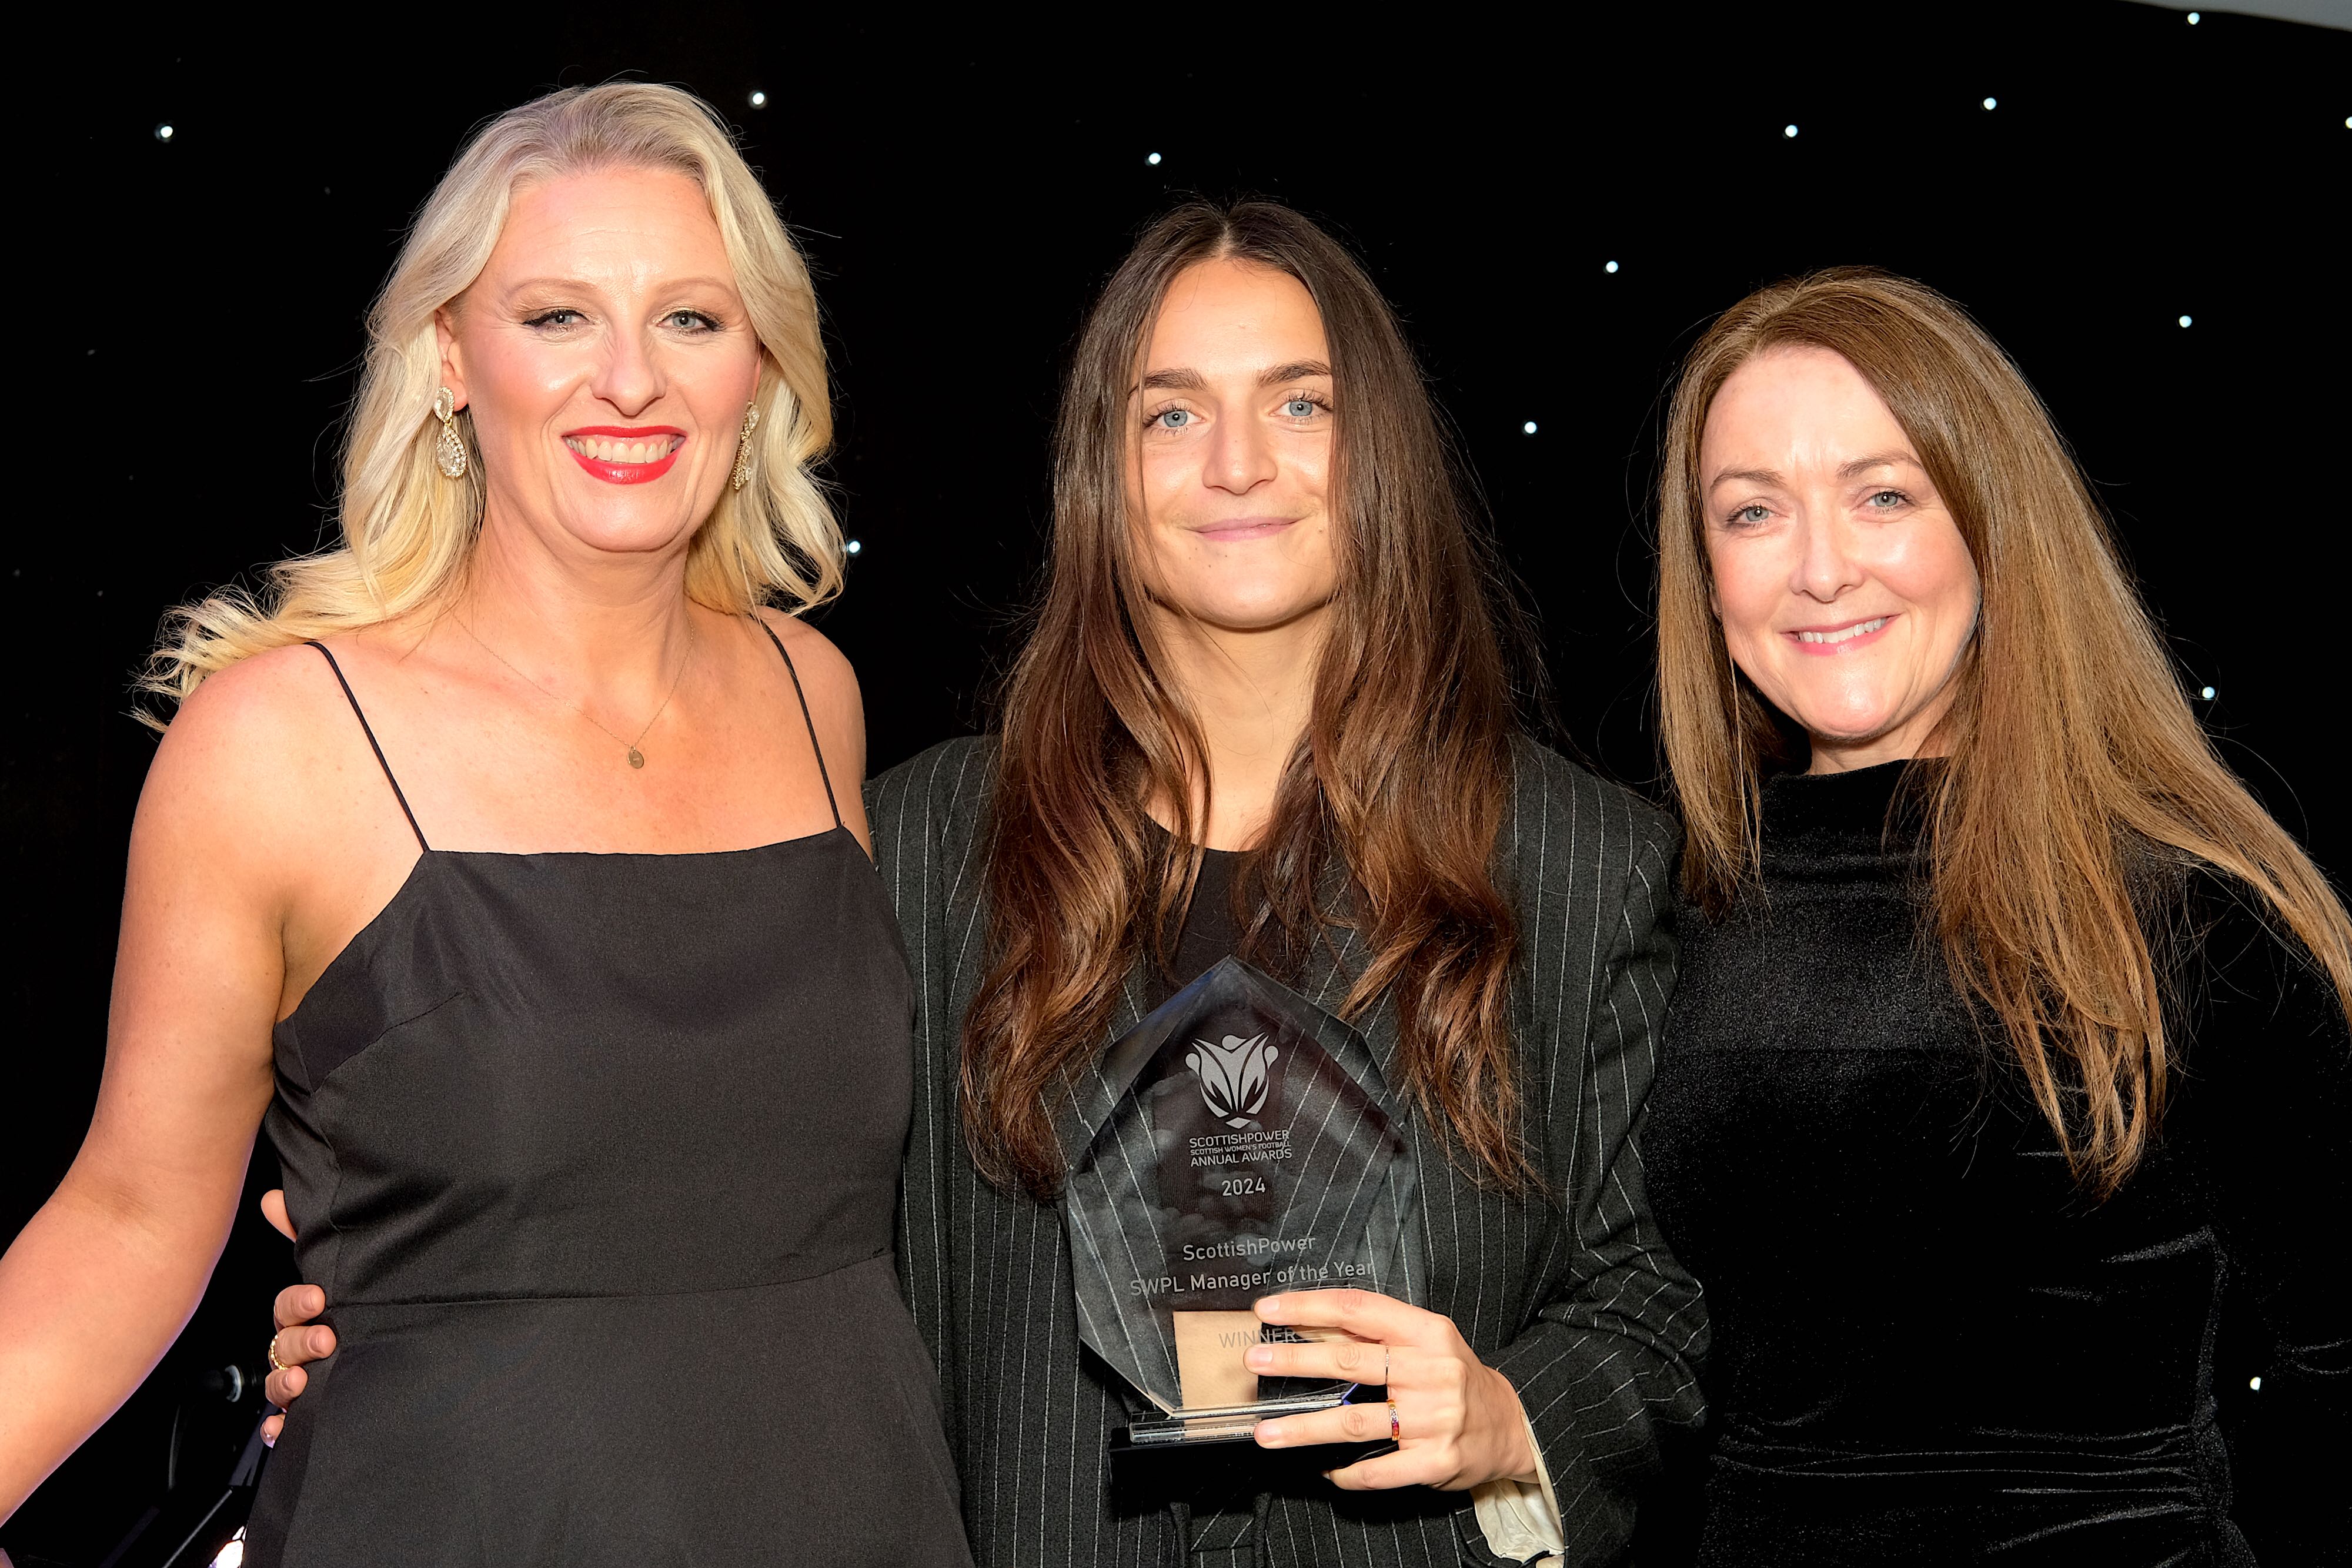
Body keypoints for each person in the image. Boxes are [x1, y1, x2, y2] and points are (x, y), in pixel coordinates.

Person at [272, 200, 1710, 1564]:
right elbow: (741, 1195)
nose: (1233, 463)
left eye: (1299, 403)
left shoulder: (1582, 860)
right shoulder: (918, 846)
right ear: (1102, 465)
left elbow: (1652, 1300)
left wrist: (1511, 1418)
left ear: (1378, 448)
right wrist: (423, 1302)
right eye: (1169, 411)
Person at [0, 84, 970, 1566]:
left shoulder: (812, 692)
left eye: (691, 319)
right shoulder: (280, 739)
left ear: (757, 362)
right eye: (557, 316)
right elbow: (129, 1220)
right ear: (451, 356)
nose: (630, 380)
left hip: (853, 1510)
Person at [1639, 268, 2352, 1564]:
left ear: (1989, 520)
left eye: (1883, 495)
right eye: (1750, 512)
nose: (1817, 567)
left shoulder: (2190, 913)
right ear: (1702, 571)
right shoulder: (1655, 914)